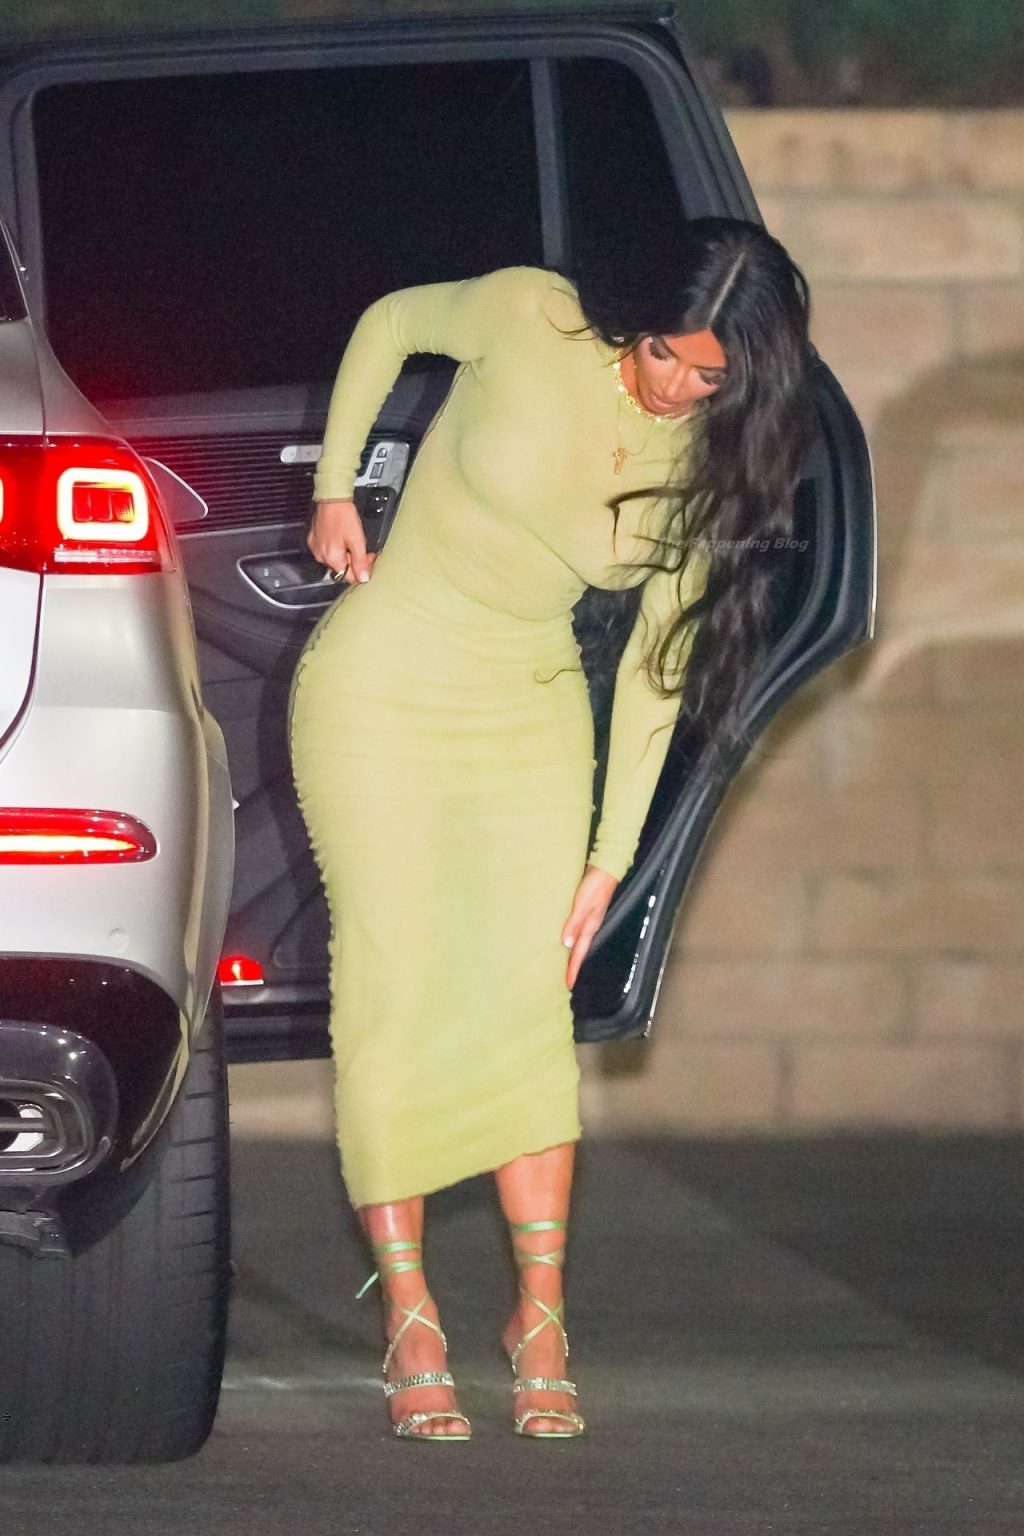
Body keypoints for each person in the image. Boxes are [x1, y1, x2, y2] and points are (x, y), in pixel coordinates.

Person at [288, 217, 813, 1440]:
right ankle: (409, 1317)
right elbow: (390, 322)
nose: (673, 385)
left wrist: (608, 858)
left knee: (529, 1005)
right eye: (661, 353)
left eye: (706, 376)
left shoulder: (710, 464)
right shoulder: (530, 314)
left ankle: (539, 1317)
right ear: (637, 318)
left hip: (529, 710)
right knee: (392, 985)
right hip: (379, 684)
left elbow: (655, 672)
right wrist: (334, 487)